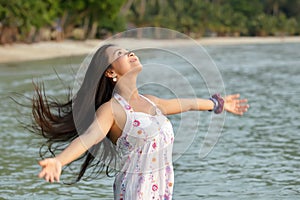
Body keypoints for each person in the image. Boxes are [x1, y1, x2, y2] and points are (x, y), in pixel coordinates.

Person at [33, 44, 249, 199]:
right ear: (110, 72)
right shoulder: (111, 110)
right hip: (135, 192)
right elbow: (88, 138)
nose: (129, 53)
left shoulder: (153, 103)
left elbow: (189, 104)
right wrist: (59, 161)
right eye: (120, 54)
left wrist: (218, 103)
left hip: (162, 192)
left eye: (128, 50)